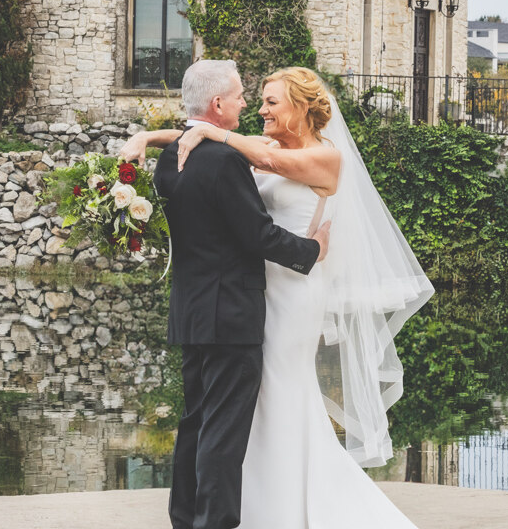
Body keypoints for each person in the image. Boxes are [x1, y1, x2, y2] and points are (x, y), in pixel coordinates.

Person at [122, 66, 435, 528]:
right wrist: (151, 136)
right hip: (251, 294)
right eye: (258, 100)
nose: (260, 108)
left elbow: (250, 156)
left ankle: (291, 507)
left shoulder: (324, 159)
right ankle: (254, 507)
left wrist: (204, 132)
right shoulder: (259, 145)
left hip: (293, 290)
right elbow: (218, 141)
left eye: (271, 101)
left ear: (302, 108)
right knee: (241, 408)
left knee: (279, 396)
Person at [143, 59, 327, 529]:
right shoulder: (225, 160)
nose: (246, 104)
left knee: (195, 424)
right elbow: (258, 236)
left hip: (191, 310)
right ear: (219, 103)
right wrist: (311, 249)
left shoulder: (171, 160)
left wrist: (146, 137)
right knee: (223, 433)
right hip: (232, 315)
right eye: (242, 95)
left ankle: (184, 519)